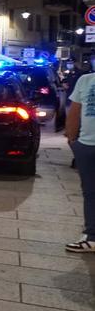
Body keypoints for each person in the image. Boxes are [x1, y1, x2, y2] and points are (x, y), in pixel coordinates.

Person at [64, 60, 95, 253]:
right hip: (88, 145)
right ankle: (92, 237)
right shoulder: (85, 80)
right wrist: (74, 141)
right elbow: (75, 112)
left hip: (86, 146)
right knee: (91, 192)